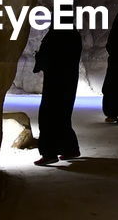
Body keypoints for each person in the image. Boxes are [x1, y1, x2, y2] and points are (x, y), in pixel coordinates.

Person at [34, 27, 82, 166]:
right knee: (63, 115)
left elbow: (50, 56)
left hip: (55, 81)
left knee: (48, 116)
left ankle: (49, 153)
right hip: (69, 81)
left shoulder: (56, 34)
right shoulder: (73, 34)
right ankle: (71, 149)